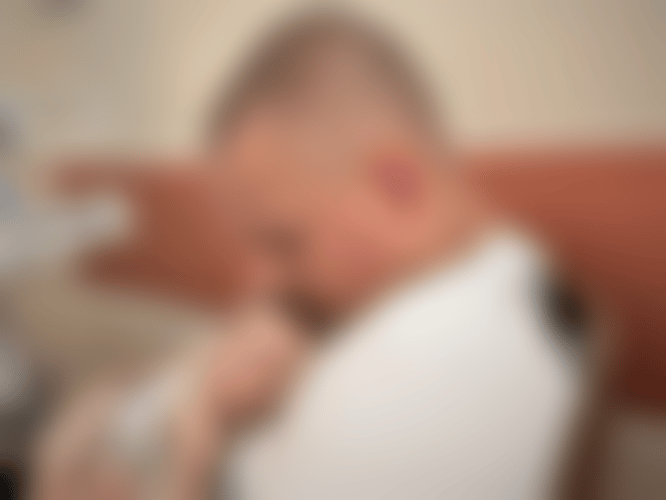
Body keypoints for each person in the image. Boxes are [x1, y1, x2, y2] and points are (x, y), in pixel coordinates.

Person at [35, 10, 594, 500]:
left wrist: (197, 433)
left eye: (284, 242)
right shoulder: (512, 265)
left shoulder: (388, 407)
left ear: (398, 184)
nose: (259, 280)